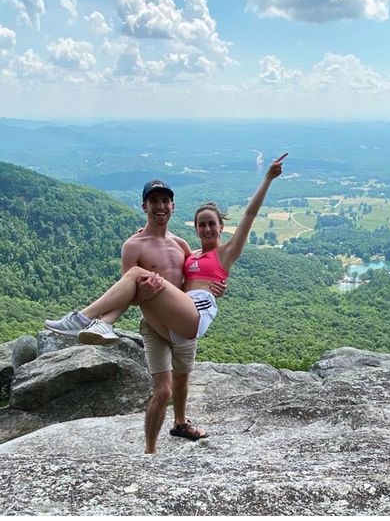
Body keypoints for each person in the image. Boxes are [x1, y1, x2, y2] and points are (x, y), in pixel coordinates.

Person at [45, 154, 287, 452]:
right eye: (202, 224)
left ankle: (92, 320)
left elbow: (248, 216)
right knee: (166, 388)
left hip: (192, 314)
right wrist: (152, 291)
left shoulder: (208, 250)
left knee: (140, 281)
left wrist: (268, 178)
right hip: (166, 317)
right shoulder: (183, 252)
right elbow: (160, 288)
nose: (207, 229)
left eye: (212, 224)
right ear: (145, 206)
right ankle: (153, 448)